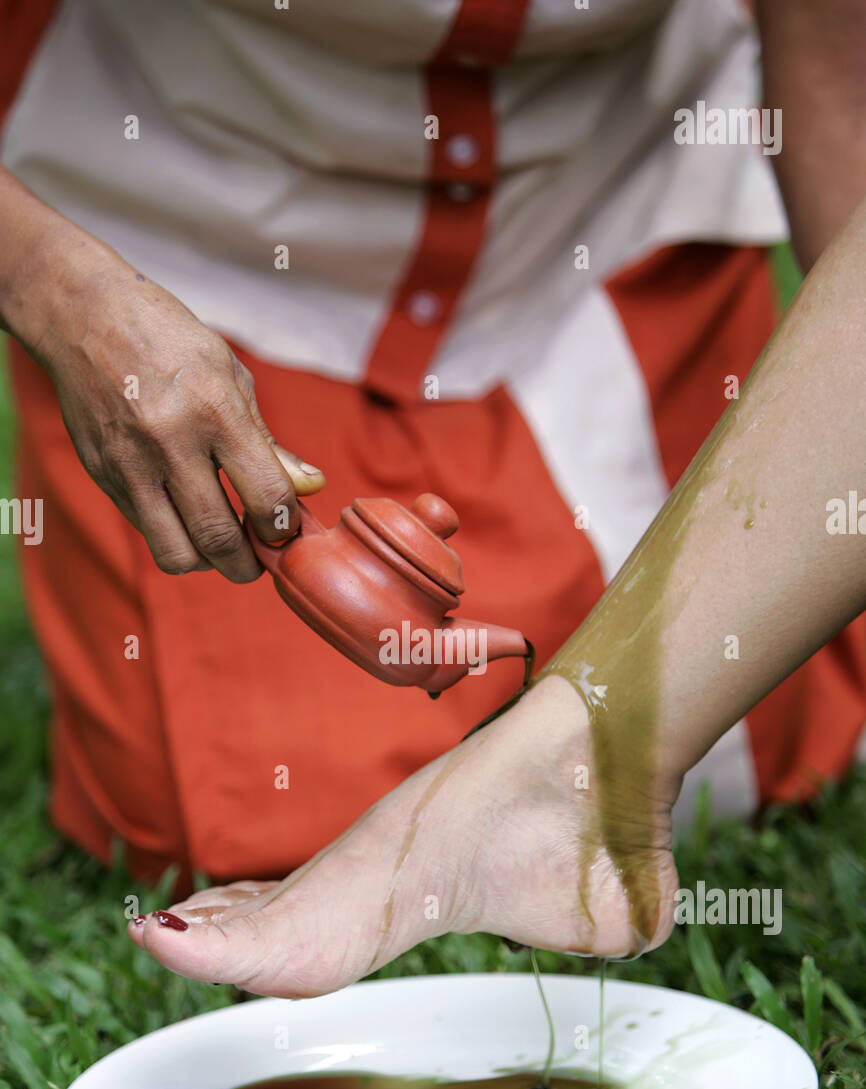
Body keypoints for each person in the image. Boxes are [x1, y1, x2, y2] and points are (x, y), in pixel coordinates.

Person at [1, 2, 864, 894]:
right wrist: (54, 295)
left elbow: (837, 74)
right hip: (199, 256)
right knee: (275, 819)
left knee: (731, 737)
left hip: (593, 222)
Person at [131, 187, 866, 993]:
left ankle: (567, 766)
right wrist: (63, 296)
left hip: (587, 237)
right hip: (207, 264)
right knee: (261, 793)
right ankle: (534, 781)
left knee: (759, 736)